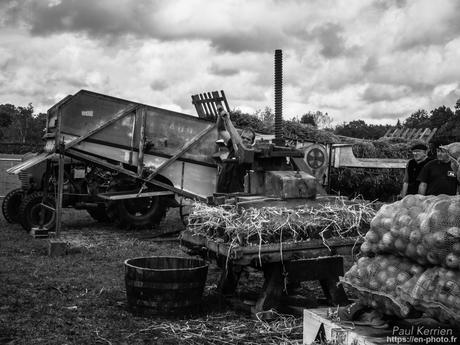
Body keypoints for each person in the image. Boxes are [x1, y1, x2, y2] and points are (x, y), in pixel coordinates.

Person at [215, 106, 255, 193]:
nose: (245, 140)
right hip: (221, 191)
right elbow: (221, 129)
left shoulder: (251, 155)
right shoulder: (234, 146)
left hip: (236, 194)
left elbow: (238, 141)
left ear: (252, 143)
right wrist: (220, 117)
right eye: (243, 137)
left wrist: (228, 120)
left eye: (248, 139)